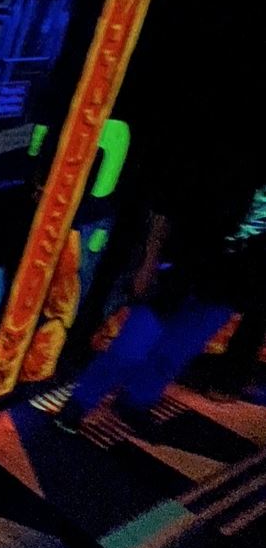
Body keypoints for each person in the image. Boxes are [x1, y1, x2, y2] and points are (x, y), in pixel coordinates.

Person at [56, 178, 265, 432]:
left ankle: (135, 400)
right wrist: (150, 260)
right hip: (181, 269)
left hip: (231, 285)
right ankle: (81, 402)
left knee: (176, 353)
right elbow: (167, 204)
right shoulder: (233, 164)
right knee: (131, 347)